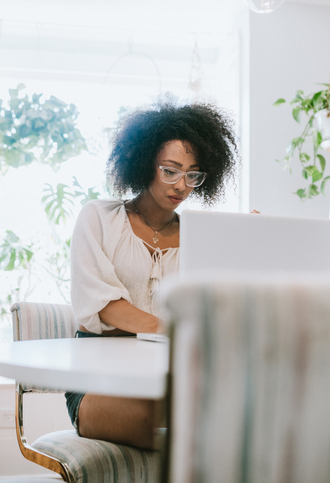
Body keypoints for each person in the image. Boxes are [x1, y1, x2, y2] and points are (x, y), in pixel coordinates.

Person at [66, 96, 239, 450]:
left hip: (170, 377)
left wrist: (246, 245)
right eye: (170, 170)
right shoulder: (99, 218)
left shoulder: (202, 236)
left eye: (193, 175)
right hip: (99, 379)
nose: (181, 186)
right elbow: (104, 307)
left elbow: (222, 305)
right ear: (144, 162)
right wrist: (174, 329)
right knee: (153, 416)